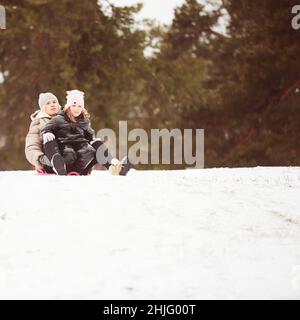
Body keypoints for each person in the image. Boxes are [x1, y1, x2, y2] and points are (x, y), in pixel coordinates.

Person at [25, 91, 131, 175]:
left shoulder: (70, 115)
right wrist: (43, 159)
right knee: (51, 139)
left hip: (75, 158)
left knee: (94, 146)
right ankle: (57, 163)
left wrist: (93, 143)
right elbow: (31, 147)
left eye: (54, 102)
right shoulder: (38, 123)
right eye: (48, 103)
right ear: (43, 108)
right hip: (52, 160)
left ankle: (116, 168)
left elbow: (84, 137)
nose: (52, 105)